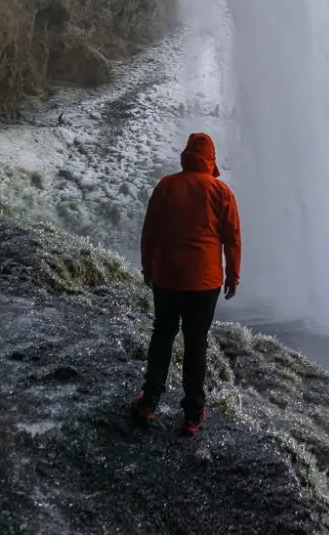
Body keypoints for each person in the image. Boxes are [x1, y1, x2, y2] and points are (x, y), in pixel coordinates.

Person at [132, 132, 241, 436]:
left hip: (167, 277)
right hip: (205, 283)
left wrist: (147, 266)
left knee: (163, 335)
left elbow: (150, 231)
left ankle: (150, 401)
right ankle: (193, 414)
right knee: (196, 343)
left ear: (186, 155)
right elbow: (232, 240)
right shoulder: (221, 192)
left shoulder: (167, 186)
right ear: (211, 159)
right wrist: (233, 276)